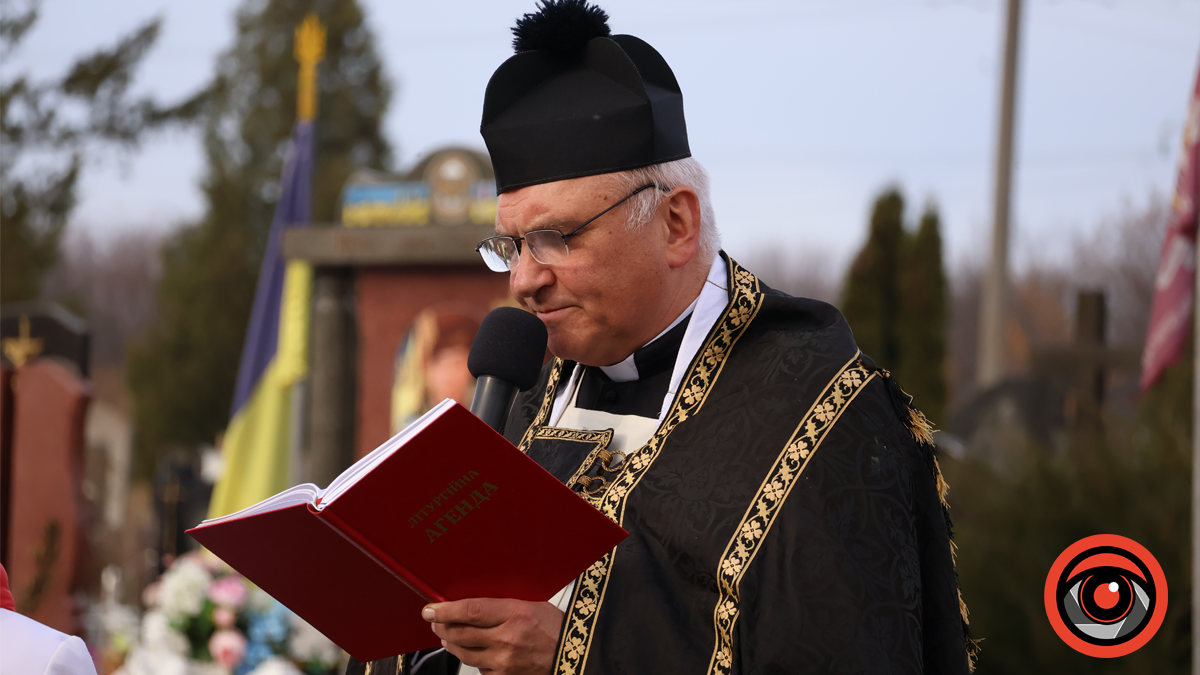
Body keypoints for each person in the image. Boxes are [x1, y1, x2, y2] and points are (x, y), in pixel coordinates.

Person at [350, 1, 974, 673]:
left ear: (676, 224)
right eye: (511, 245)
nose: (524, 281)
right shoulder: (522, 399)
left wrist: (577, 655)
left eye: (556, 238)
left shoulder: (821, 415)